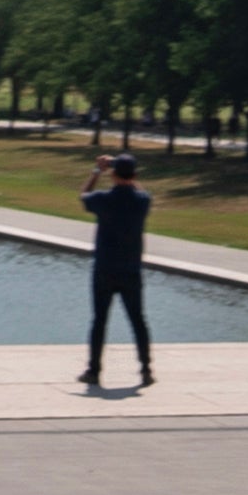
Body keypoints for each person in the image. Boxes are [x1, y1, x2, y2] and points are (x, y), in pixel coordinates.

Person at [80, 153, 153, 390]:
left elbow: (84, 197)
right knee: (138, 320)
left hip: (105, 268)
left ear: (112, 175)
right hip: (131, 269)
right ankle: (145, 369)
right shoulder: (142, 201)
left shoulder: (103, 198)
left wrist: (97, 170)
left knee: (99, 321)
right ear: (134, 175)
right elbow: (139, 190)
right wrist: (125, 173)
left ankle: (94, 370)